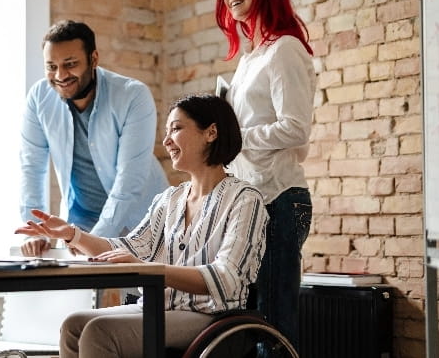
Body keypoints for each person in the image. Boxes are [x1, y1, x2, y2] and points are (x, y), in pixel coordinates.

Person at [16, 94, 268, 358]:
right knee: (74, 325)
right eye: (167, 131)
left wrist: (151, 269)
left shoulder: (244, 199)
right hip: (160, 306)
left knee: (99, 332)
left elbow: (226, 278)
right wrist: (72, 234)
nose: (166, 140)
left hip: (210, 316)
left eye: (177, 128)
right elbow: (127, 248)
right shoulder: (169, 199)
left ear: (211, 132)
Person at [215, 0, 317, 353]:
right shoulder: (249, 59)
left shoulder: (285, 49)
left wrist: (235, 137)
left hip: (279, 200)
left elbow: (296, 129)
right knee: (251, 322)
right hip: (250, 200)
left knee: (273, 325)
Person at [19, 19, 168, 256]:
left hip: (140, 221)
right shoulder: (39, 97)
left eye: (70, 64)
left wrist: (91, 242)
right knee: (74, 292)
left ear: (94, 59)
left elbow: (129, 182)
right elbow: (32, 167)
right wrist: (36, 230)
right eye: (51, 66)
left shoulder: (133, 95)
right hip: (81, 222)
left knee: (138, 294)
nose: (60, 75)